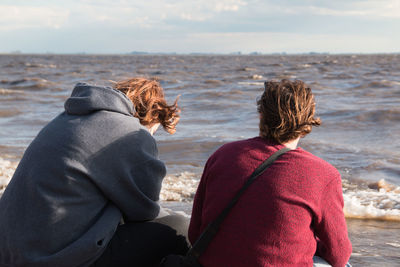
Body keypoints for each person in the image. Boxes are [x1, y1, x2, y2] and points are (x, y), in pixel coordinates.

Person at [0, 78, 189, 267]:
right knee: (181, 228)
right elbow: (145, 211)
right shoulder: (132, 133)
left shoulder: (65, 119)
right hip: (53, 258)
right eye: (155, 130)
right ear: (153, 115)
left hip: (11, 253)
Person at [188, 80, 352, 267]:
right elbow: (339, 255)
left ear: (261, 115)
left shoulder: (222, 155)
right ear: (309, 119)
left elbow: (195, 234)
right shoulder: (323, 174)